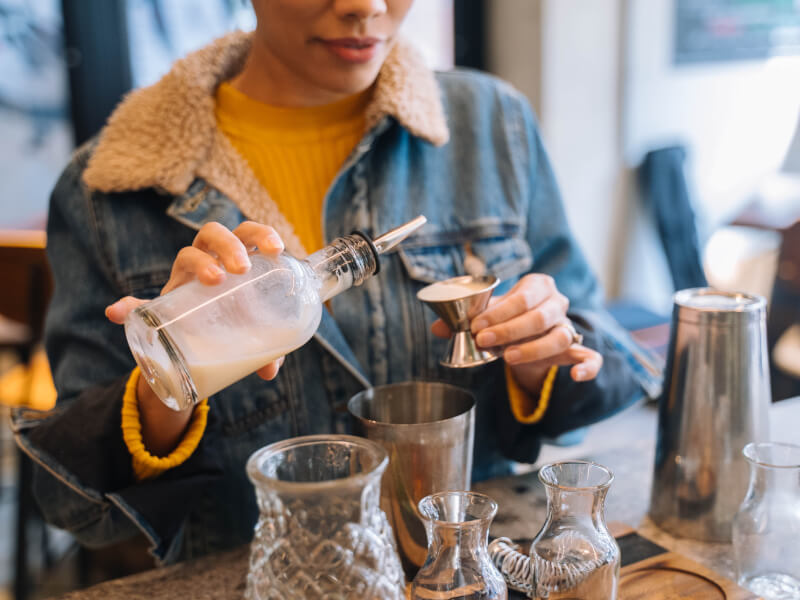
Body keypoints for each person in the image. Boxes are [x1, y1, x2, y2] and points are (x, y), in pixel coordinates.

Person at [15, 0, 659, 565]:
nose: (365, 6)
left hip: (466, 574)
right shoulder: (109, 189)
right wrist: (168, 383)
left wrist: (540, 358)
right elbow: (72, 504)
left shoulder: (491, 123)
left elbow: (607, 363)